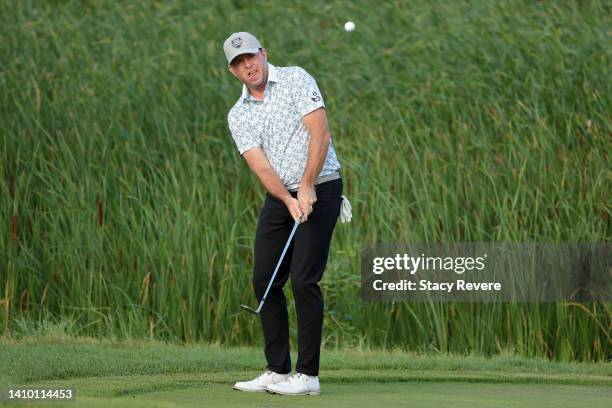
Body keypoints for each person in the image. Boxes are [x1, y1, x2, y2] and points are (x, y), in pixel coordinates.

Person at [224, 31, 346, 396]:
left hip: (321, 184)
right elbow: (260, 167)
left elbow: (319, 134)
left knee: (303, 279)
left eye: (250, 56)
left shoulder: (295, 78)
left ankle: (307, 375)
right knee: (265, 278)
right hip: (281, 195)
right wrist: (289, 199)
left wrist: (307, 186)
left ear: (263, 53)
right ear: (233, 71)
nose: (248, 65)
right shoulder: (238, 113)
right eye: (238, 63)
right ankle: (278, 369)